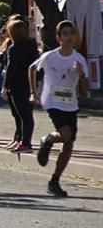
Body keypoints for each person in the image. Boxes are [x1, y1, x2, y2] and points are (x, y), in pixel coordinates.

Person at [30, 20, 88, 197]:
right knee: (65, 135)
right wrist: (34, 93)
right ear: (58, 37)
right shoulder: (50, 56)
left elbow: (85, 90)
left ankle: (54, 181)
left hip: (70, 104)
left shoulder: (79, 59)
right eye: (65, 33)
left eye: (71, 33)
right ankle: (47, 140)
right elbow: (32, 68)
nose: (69, 37)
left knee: (68, 144)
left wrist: (80, 74)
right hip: (52, 102)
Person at [2, 19, 38, 153]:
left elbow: (11, 68)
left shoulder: (14, 48)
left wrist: (5, 86)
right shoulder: (32, 45)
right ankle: (24, 140)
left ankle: (25, 142)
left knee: (22, 114)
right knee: (27, 114)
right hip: (30, 83)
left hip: (17, 84)